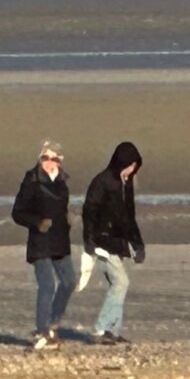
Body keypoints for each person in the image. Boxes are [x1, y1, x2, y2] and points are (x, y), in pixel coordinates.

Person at [12, 140, 75, 350]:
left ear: (60, 161)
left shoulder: (62, 181)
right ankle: (41, 331)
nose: (49, 162)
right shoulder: (31, 181)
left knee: (69, 282)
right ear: (39, 159)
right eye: (45, 158)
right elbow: (17, 213)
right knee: (47, 285)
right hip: (40, 242)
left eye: (54, 158)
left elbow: (62, 207)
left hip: (60, 241)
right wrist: (37, 222)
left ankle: (53, 324)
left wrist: (68, 217)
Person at [81, 141, 145, 344]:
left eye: (135, 166)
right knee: (121, 282)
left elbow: (129, 216)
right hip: (102, 241)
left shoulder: (126, 183)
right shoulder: (102, 182)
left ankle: (113, 331)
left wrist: (137, 243)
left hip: (119, 242)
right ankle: (100, 329)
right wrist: (90, 241)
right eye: (130, 165)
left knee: (116, 285)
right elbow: (89, 212)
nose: (132, 169)